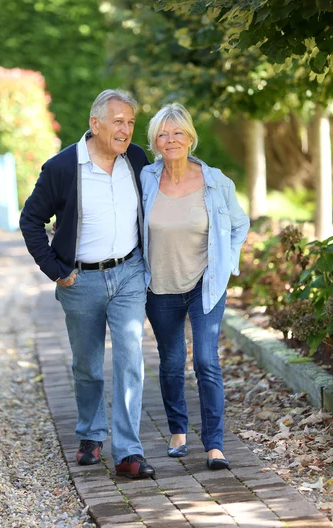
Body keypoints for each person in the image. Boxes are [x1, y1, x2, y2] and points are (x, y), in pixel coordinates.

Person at [20, 89, 156, 480]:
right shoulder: (62, 168)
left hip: (129, 272)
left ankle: (128, 451)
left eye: (131, 122)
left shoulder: (135, 159)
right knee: (88, 366)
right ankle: (91, 434)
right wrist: (55, 270)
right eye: (118, 122)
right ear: (95, 124)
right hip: (80, 280)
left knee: (131, 358)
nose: (126, 130)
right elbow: (30, 221)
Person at [141, 103, 249, 470]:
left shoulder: (215, 180)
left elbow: (239, 224)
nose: (171, 140)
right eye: (163, 134)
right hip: (159, 286)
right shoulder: (145, 179)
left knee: (205, 360)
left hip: (205, 283)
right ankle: (177, 431)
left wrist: (227, 262)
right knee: (171, 362)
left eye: (178, 133)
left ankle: (214, 444)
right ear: (155, 141)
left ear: (190, 137)